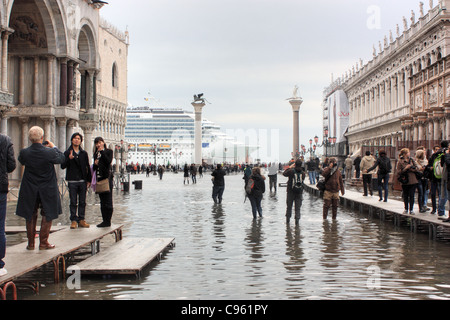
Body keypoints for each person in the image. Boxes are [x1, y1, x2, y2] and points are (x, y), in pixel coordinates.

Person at [16, 126, 65, 250]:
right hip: (47, 187)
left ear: (29, 138)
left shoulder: (24, 152)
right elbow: (62, 158)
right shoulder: (49, 152)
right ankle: (43, 242)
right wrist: (53, 146)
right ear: (42, 137)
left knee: (30, 214)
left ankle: (31, 243)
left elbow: (21, 160)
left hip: (29, 186)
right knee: (47, 214)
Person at [61, 133, 92, 229]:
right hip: (72, 180)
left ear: (81, 141)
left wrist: (89, 179)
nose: (76, 140)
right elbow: (63, 166)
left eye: (78, 138)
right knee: (73, 201)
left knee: (82, 201)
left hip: (82, 180)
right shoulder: (67, 152)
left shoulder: (84, 153)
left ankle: (81, 219)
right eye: (75, 138)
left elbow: (87, 166)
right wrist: (69, 159)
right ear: (72, 140)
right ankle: (73, 220)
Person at [0, 133, 16, 277]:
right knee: (0, 226)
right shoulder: (5, 139)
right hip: (1, 187)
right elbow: (11, 165)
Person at [93, 137, 114, 227]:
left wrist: (102, 152)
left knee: (108, 201)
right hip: (99, 178)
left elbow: (108, 161)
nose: (98, 144)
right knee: (102, 201)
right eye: (97, 143)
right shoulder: (96, 153)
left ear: (103, 142)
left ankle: (108, 220)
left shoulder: (109, 151)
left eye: (100, 142)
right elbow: (95, 168)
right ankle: (104, 220)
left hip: (107, 179)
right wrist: (95, 164)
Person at [396, 148, 419, 215]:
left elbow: (417, 168)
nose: (409, 153)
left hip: (413, 179)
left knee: (412, 195)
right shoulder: (400, 161)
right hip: (405, 180)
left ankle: (411, 209)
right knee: (405, 195)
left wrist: (411, 168)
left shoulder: (411, 160)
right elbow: (398, 172)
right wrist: (405, 168)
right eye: (408, 152)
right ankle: (406, 208)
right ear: (405, 154)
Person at [283, 158, 306, 224]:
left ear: (295, 164)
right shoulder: (303, 173)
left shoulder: (291, 171)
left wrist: (290, 167)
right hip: (299, 192)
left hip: (290, 191)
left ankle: (288, 221)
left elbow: (284, 173)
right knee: (297, 208)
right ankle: (297, 222)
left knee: (289, 206)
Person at [427, 145, 442, 214]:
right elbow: (428, 165)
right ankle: (434, 209)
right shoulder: (432, 157)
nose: (437, 151)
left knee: (440, 194)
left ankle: (440, 209)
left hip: (440, 178)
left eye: (438, 149)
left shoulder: (442, 156)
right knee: (433, 194)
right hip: (433, 178)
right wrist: (430, 168)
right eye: (436, 149)